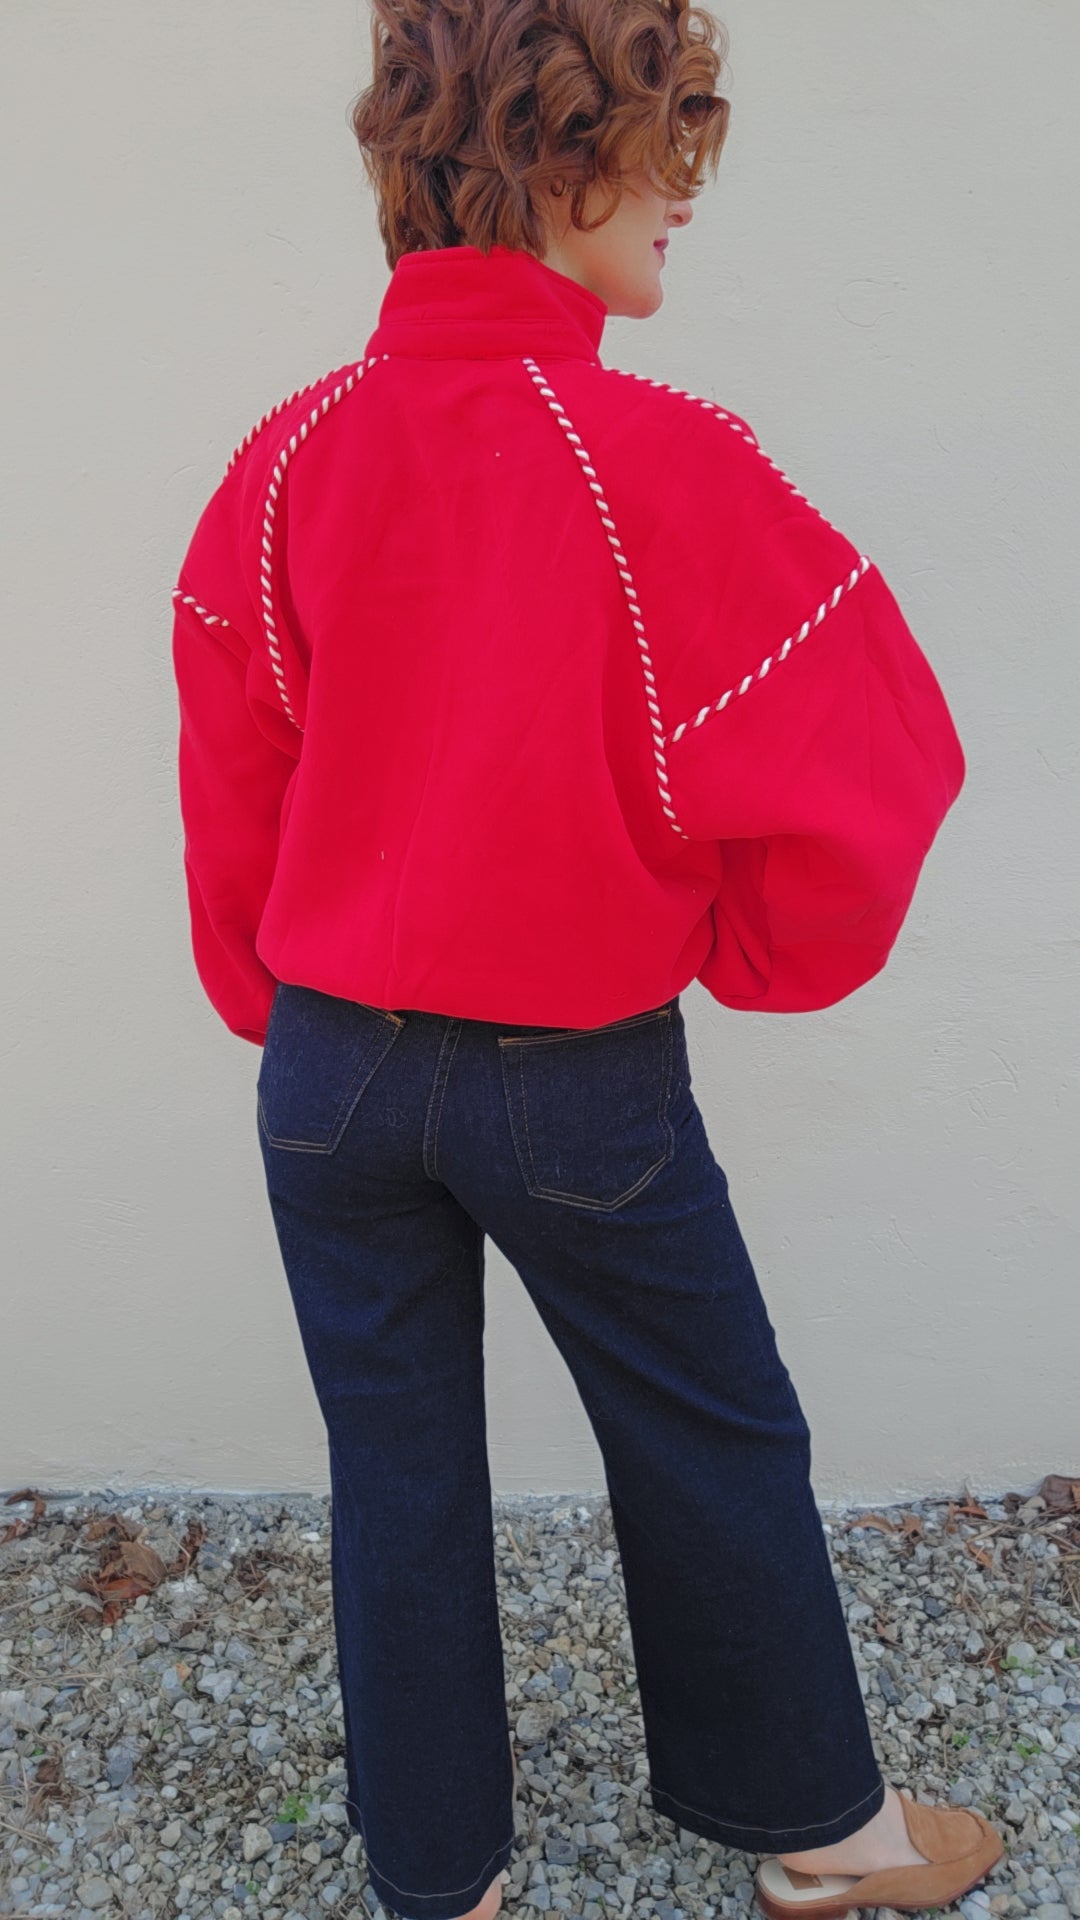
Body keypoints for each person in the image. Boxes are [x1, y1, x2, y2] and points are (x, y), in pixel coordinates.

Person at [170, 4, 1005, 1918]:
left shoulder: (287, 454)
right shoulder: (663, 462)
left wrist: (275, 998)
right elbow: (877, 750)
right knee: (712, 1429)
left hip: (329, 1074)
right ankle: (833, 1838)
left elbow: (240, 761)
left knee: (394, 1470)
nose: (681, 211)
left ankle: (444, 1889)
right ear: (568, 163)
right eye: (663, 156)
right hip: (577, 1078)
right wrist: (741, 943)